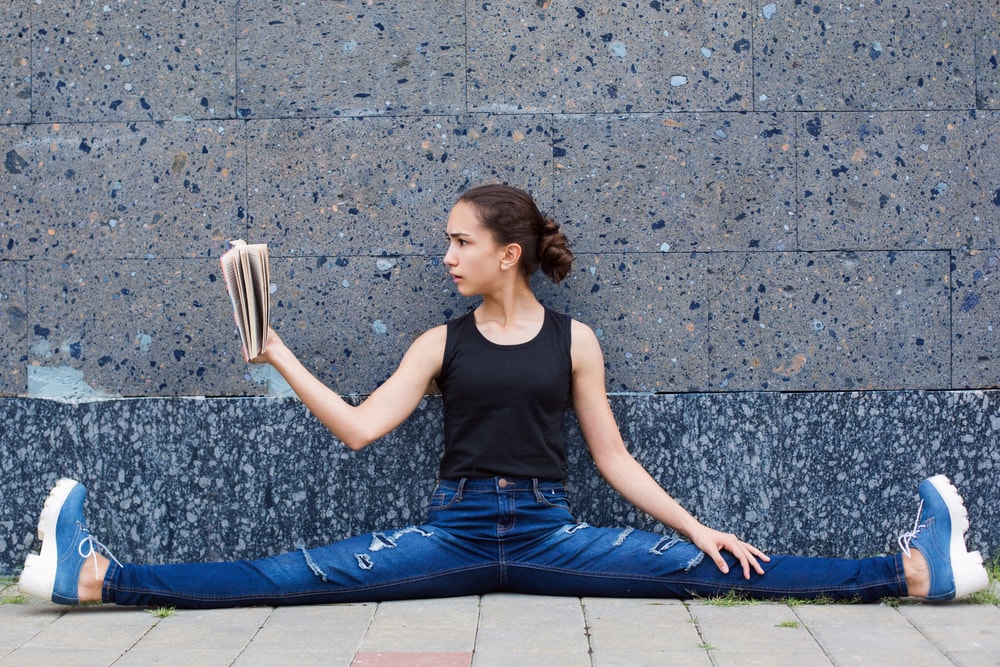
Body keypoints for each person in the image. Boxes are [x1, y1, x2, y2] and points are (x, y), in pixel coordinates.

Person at [19, 184, 990, 608]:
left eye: (459, 242)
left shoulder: (578, 342)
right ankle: (99, 579)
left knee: (714, 568)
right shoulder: (436, 342)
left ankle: (909, 573)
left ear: (508, 251)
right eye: (445, 242)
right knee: (286, 576)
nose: (444, 256)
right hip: (447, 536)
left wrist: (696, 525)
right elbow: (360, 429)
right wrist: (274, 350)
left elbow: (611, 458)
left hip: (552, 535)